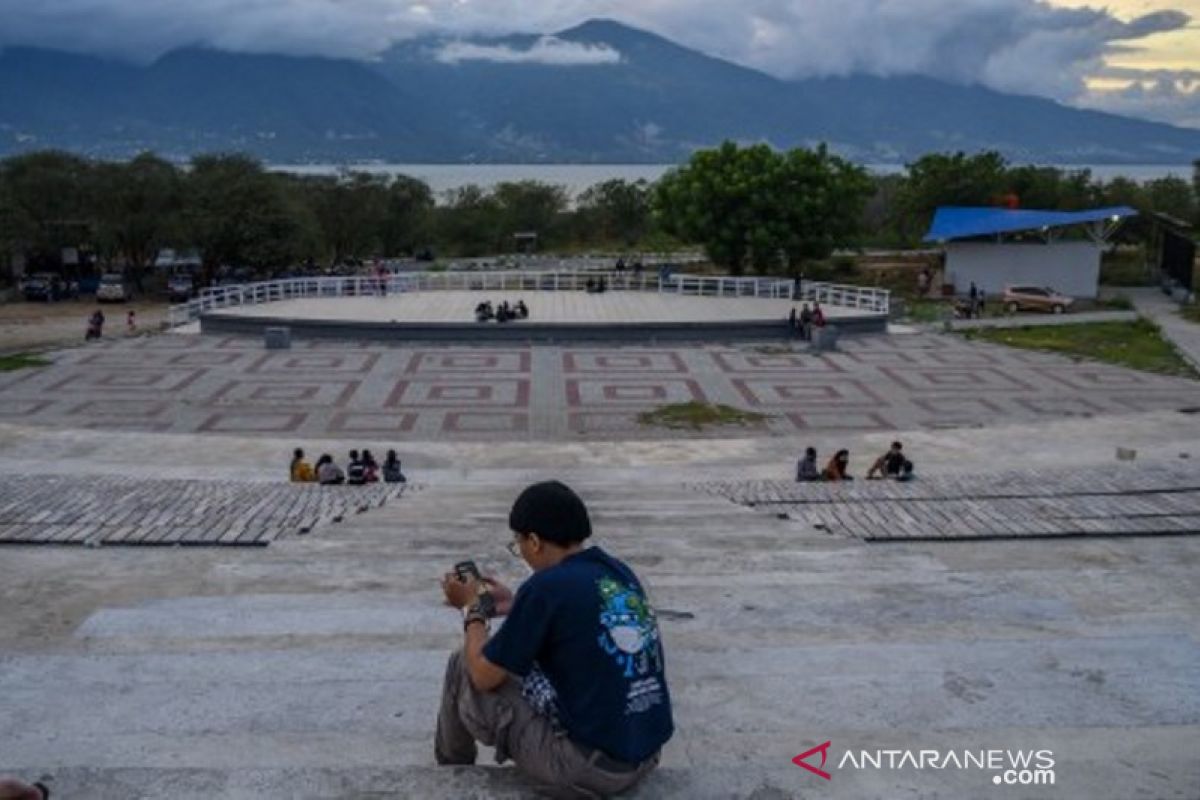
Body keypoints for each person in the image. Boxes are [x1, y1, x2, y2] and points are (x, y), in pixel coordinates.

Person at [436, 481, 672, 797]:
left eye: (517, 543)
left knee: (462, 663)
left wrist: (471, 609)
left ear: (534, 541)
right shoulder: (617, 572)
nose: (519, 550)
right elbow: (576, 612)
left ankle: (451, 778)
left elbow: (482, 675)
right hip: (644, 754)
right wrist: (519, 603)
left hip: (587, 770)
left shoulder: (546, 587)